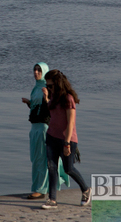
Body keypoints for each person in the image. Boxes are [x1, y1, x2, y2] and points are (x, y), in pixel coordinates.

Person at [41, 69, 91, 209]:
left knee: (68, 168)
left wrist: (67, 143)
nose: (48, 87)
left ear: (58, 84)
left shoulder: (68, 99)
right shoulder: (53, 97)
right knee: (51, 167)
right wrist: (46, 99)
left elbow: (70, 123)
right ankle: (52, 199)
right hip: (51, 136)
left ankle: (86, 190)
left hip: (66, 139)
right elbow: (52, 112)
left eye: (50, 85)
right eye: (47, 85)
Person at [22, 63, 69, 199]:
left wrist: (47, 98)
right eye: (35, 70)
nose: (36, 72)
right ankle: (45, 185)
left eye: (39, 70)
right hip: (34, 127)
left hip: (44, 126)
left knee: (42, 158)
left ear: (44, 72)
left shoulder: (48, 88)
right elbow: (36, 108)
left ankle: (40, 190)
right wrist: (29, 103)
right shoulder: (35, 88)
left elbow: (53, 109)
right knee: (35, 158)